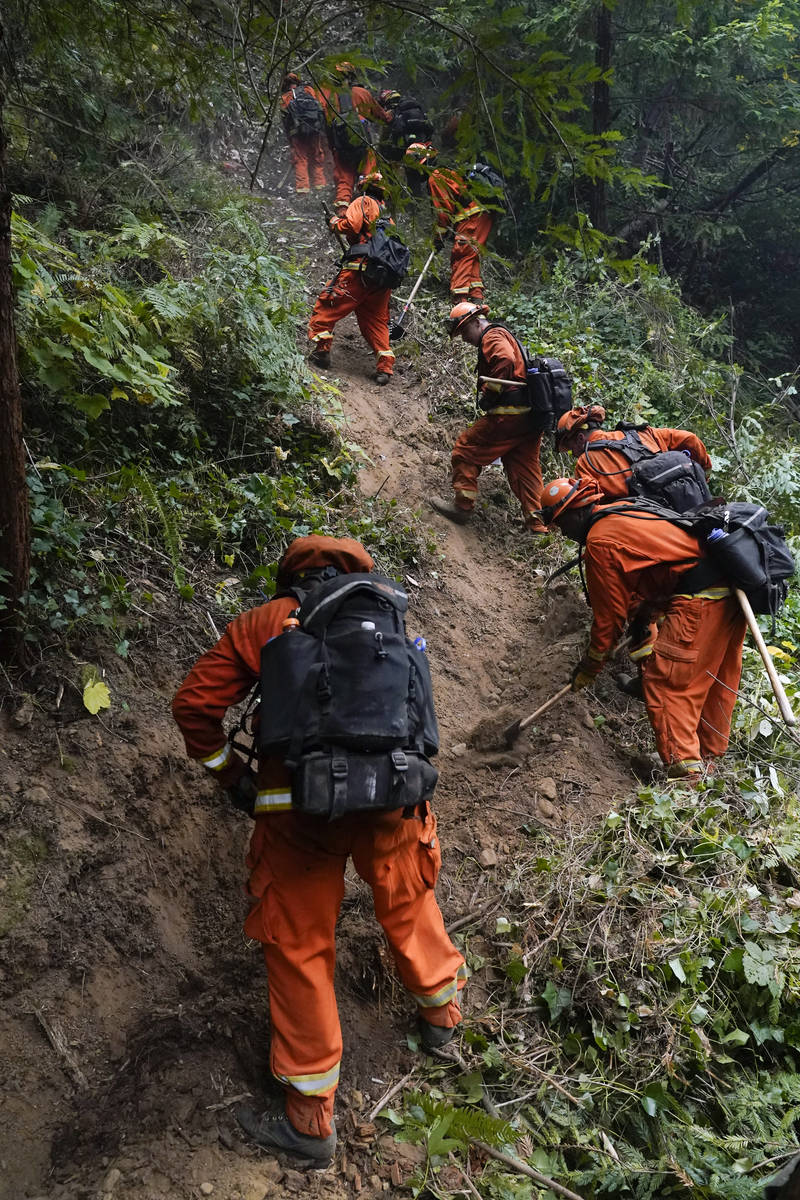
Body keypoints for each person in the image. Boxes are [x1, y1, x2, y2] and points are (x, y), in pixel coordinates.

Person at [172, 534, 467, 1166]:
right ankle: (442, 1024)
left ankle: (310, 1123)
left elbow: (194, 706)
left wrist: (232, 776)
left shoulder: (268, 622)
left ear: (290, 576)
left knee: (301, 943)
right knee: (408, 901)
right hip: (393, 798)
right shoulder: (390, 615)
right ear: (361, 573)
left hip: (298, 811)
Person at [540, 477, 747, 782]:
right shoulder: (623, 509)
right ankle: (708, 763)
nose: (564, 532)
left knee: (666, 684)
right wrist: (645, 613)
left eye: (561, 523)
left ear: (576, 511)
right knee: (715, 681)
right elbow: (660, 564)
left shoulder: (599, 541)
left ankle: (687, 780)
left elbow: (608, 619)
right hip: (730, 594)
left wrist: (591, 665)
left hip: (700, 599)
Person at [430, 302, 547, 533]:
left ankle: (462, 507)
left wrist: (491, 393)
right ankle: (538, 525)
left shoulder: (492, 336)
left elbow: (505, 359)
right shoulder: (500, 334)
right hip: (529, 418)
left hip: (509, 416)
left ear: (477, 322)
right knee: (525, 470)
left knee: (465, 449)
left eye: (465, 331)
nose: (464, 338)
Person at [307, 172, 397, 384]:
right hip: (381, 279)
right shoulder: (387, 216)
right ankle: (385, 367)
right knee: (375, 321)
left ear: (363, 187)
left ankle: (321, 351)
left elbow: (351, 225)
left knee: (328, 303)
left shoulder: (363, 201)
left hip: (360, 271)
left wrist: (334, 222)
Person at [555, 405, 713, 500]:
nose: (573, 454)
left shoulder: (585, 463)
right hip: (682, 501)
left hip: (637, 522)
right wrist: (704, 475)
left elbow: (590, 504)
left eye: (571, 448)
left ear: (580, 438)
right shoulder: (643, 433)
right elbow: (690, 439)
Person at [404, 142, 492, 301]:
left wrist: (438, 238)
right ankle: (476, 297)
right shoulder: (445, 170)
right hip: (481, 215)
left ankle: (460, 301)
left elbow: (444, 212)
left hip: (472, 216)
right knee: (470, 256)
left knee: (461, 255)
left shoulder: (436, 177)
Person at [321, 62, 392, 209]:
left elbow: (327, 125)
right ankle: (374, 210)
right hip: (364, 145)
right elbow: (381, 116)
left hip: (341, 146)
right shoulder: (362, 93)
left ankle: (342, 212)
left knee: (344, 180)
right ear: (352, 76)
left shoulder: (329, 97)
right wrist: (390, 115)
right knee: (371, 177)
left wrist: (333, 147)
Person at [279, 72, 328, 195]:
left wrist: (290, 137)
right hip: (315, 130)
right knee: (317, 157)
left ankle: (303, 190)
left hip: (297, 133)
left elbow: (286, 120)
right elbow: (321, 107)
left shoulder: (285, 97)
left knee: (301, 159)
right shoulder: (309, 90)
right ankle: (320, 187)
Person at [377, 89, 433, 163]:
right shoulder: (416, 108)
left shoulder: (393, 112)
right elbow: (430, 128)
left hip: (405, 145)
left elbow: (394, 131)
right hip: (421, 141)